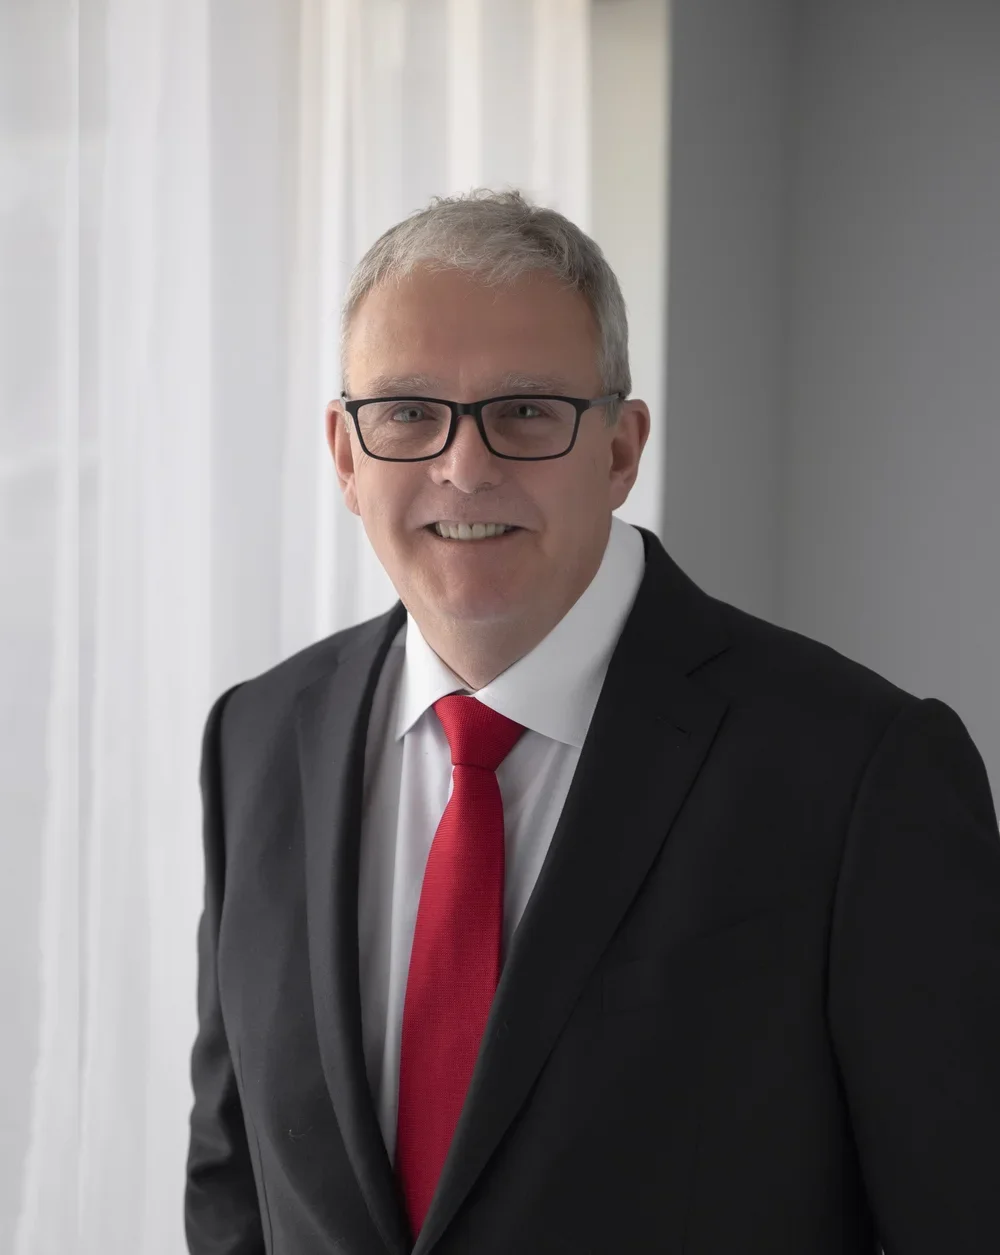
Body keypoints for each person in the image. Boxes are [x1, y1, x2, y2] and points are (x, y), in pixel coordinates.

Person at [185, 188, 1000, 1255]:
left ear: (620, 449)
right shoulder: (255, 740)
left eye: (526, 410)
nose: (462, 466)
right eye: (406, 412)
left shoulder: (859, 771)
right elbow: (233, 1183)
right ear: (345, 455)